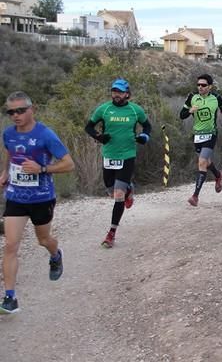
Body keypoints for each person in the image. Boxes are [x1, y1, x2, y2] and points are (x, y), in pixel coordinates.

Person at [0, 92, 75, 315]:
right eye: (11, 112)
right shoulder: (8, 134)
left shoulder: (46, 135)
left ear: (33, 109)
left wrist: (41, 169)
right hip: (15, 197)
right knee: (10, 245)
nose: (16, 115)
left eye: (20, 110)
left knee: (44, 240)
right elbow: (10, 154)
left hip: (41, 198)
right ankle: (10, 298)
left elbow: (68, 164)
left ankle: (55, 255)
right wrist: (5, 173)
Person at [86, 79, 152, 248]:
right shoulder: (104, 109)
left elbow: (147, 126)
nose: (116, 94)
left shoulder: (135, 110)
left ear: (127, 93)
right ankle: (129, 188)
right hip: (108, 155)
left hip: (127, 155)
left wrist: (145, 136)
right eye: (114, 91)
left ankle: (111, 233)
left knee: (118, 195)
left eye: (120, 91)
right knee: (110, 190)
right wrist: (99, 137)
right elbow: (89, 127)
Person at [179, 74, 222, 207]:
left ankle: (195, 196)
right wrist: (190, 111)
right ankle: (218, 175)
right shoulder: (192, 97)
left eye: (203, 85)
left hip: (211, 134)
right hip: (197, 135)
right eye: (198, 85)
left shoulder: (216, 97)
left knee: (201, 162)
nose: (200, 87)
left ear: (210, 86)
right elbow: (181, 115)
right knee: (206, 162)